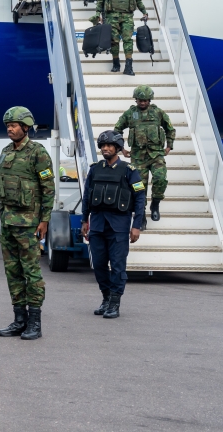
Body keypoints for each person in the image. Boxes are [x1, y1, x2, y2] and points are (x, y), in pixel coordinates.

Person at [0, 106, 55, 341]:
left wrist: (45, 220)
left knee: (31, 273)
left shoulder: (38, 153)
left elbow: (48, 189)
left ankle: (35, 323)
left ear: (26, 127)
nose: (10, 128)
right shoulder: (6, 151)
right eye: (8, 125)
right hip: (7, 223)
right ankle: (19, 320)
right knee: (13, 273)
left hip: (29, 224)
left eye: (14, 125)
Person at [81, 131, 147, 319]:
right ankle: (106, 298)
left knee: (118, 266)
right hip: (98, 224)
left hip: (119, 224)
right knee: (100, 265)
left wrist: (136, 225)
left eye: (109, 146)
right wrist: (85, 220)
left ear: (117, 148)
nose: (105, 149)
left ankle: (115, 303)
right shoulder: (95, 169)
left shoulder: (129, 170)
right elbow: (87, 196)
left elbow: (140, 197)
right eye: (103, 146)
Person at [114, 86, 175, 222]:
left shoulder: (158, 112)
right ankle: (140, 215)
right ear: (136, 100)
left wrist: (169, 146)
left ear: (150, 100)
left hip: (156, 155)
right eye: (140, 100)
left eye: (145, 100)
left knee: (160, 179)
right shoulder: (130, 114)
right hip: (137, 157)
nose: (142, 103)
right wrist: (122, 149)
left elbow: (170, 129)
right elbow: (117, 129)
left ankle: (155, 204)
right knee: (138, 186)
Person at [95, 0, 149, 76]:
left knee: (127, 40)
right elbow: (100, 0)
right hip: (111, 17)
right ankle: (116, 64)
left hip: (127, 17)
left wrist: (144, 12)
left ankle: (129, 66)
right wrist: (97, 14)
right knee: (114, 41)